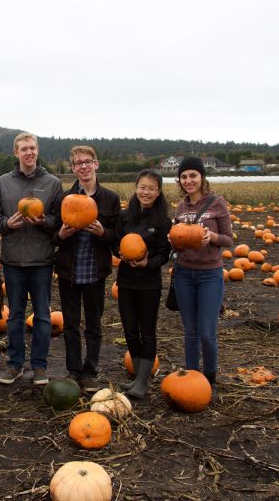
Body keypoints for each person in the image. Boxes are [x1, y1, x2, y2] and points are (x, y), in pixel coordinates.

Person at [0, 132, 62, 386]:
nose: (29, 153)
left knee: (43, 315)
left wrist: (44, 221)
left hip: (42, 260)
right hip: (12, 259)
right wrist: (7, 224)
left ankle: (40, 366)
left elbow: (59, 220)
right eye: (24, 149)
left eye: (32, 148)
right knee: (15, 316)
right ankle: (14, 365)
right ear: (16, 153)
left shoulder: (53, 183)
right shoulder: (3, 182)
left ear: (38, 150)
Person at [52, 146, 120, 393]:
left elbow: (116, 236)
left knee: (93, 324)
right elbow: (53, 236)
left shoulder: (110, 199)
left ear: (96, 164)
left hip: (95, 272)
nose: (83, 166)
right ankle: (73, 370)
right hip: (70, 271)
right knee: (70, 324)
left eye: (87, 162)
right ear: (73, 168)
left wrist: (103, 233)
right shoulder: (64, 199)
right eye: (78, 163)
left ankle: (90, 371)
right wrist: (61, 233)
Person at [172, 157, 232, 389]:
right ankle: (190, 377)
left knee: (207, 332)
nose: (188, 180)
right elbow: (180, 241)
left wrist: (212, 237)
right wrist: (173, 240)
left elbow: (228, 239)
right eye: (184, 177)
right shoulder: (181, 207)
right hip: (184, 274)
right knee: (190, 331)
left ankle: (209, 378)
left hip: (209, 275)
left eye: (193, 176)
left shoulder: (217, 204)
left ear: (202, 177)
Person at [113, 169, 172, 398]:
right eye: (142, 187)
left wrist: (148, 263)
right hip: (126, 282)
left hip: (149, 284)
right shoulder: (125, 216)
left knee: (146, 331)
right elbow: (115, 243)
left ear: (158, 192)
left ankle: (143, 381)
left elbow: (163, 254)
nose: (146, 192)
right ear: (136, 188)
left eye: (151, 188)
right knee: (129, 330)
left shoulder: (162, 222)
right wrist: (120, 253)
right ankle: (138, 376)